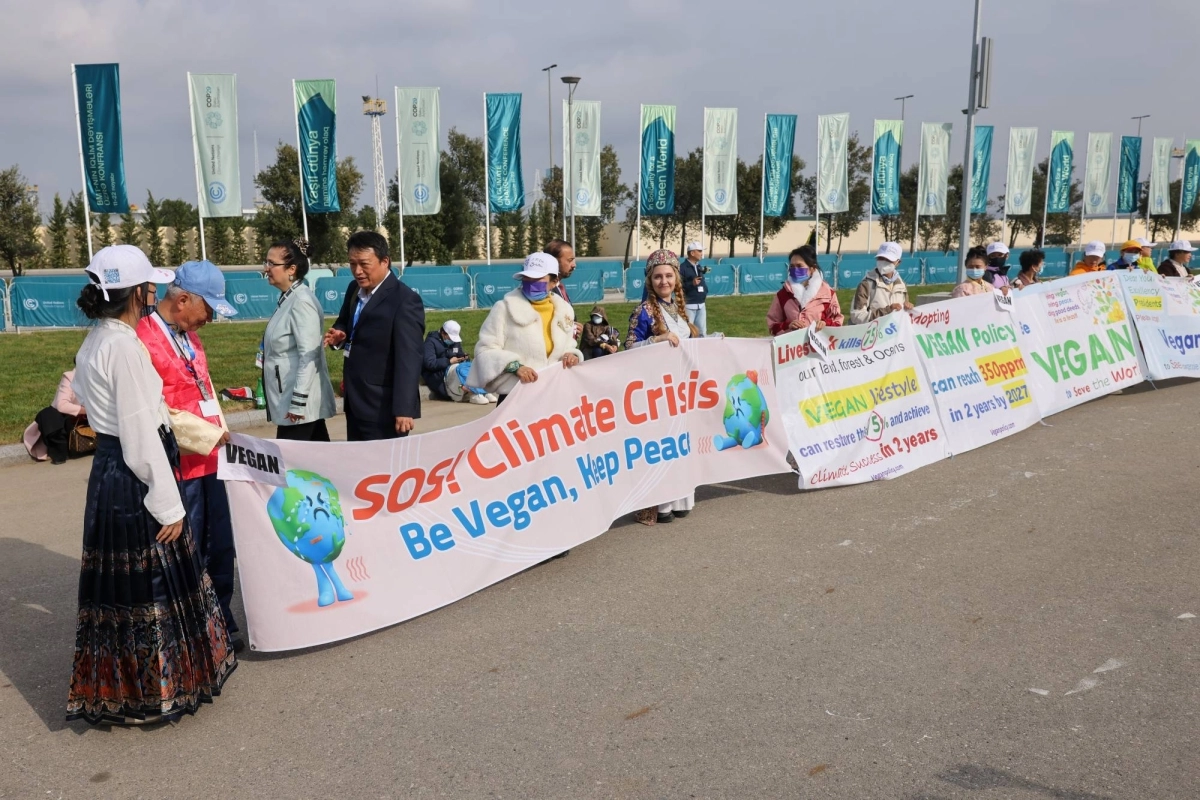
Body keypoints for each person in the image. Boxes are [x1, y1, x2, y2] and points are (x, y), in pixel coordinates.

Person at [68, 245, 235, 725]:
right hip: (132, 472)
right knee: (153, 583)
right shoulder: (124, 346)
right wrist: (169, 504)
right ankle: (154, 691)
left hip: (110, 472)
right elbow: (141, 432)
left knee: (119, 589)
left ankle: (125, 688)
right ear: (139, 292)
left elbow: (90, 397)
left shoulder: (99, 338)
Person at [136, 259, 241, 649]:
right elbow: (156, 410)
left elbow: (204, 388)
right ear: (183, 300)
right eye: (207, 309)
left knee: (220, 547)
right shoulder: (143, 339)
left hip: (211, 460)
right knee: (184, 552)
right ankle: (189, 633)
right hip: (178, 466)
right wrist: (210, 435)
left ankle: (220, 619)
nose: (209, 319)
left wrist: (222, 432)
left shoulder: (190, 336)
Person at [324, 231, 425, 441]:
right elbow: (345, 321)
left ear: (384, 261)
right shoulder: (354, 289)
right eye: (352, 264)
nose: (357, 271)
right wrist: (340, 335)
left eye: (364, 264)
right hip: (355, 400)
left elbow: (409, 358)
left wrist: (404, 408)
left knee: (385, 462)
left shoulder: (405, 300)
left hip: (383, 407)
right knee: (358, 459)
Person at [625, 249, 699, 526]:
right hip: (657, 389)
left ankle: (681, 499)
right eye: (658, 277)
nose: (663, 281)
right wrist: (655, 341)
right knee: (664, 445)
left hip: (682, 388)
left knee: (682, 443)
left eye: (668, 276)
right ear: (650, 280)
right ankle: (662, 503)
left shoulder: (679, 310)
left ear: (676, 279)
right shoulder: (643, 311)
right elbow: (628, 348)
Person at [467, 252, 583, 402]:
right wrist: (515, 367)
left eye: (537, 279)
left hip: (554, 395)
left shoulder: (565, 311)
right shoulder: (503, 309)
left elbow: (569, 345)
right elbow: (485, 350)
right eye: (526, 278)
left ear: (554, 281)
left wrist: (571, 355)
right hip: (516, 397)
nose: (530, 282)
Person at [262, 238, 337, 441]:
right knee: (316, 457)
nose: (266, 268)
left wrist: (298, 403)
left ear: (291, 269)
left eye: (272, 263)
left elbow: (309, 356)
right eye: (266, 262)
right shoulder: (289, 298)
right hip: (291, 403)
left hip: (298, 409)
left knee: (294, 459)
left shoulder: (301, 302)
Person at [767, 245, 843, 335]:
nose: (795, 269)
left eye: (799, 266)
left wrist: (826, 324)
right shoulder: (782, 295)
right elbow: (772, 326)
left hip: (819, 342)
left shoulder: (828, 294)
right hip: (792, 343)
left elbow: (837, 322)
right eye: (792, 266)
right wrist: (787, 326)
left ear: (812, 268)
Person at [24, 368, 86, 464]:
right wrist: (87, 411)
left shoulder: (102, 376)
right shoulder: (70, 377)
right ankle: (60, 452)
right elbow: (62, 405)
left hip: (93, 421)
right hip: (70, 422)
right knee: (48, 415)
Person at [423, 320, 487, 404]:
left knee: (470, 366)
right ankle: (475, 393)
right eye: (450, 338)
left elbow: (459, 353)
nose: (452, 340)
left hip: (452, 369)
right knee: (460, 369)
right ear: (443, 333)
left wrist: (463, 357)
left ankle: (482, 391)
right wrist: (448, 361)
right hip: (438, 374)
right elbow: (429, 363)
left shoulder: (455, 342)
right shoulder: (430, 342)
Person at [850, 242, 914, 324]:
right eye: (880, 258)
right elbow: (857, 316)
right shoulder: (866, 284)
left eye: (888, 259)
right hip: (874, 331)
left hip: (894, 331)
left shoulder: (901, 285)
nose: (883, 262)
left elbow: (904, 313)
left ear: (898, 262)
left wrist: (908, 308)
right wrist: (887, 311)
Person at [679, 241, 709, 336]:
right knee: (688, 333)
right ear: (692, 253)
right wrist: (691, 284)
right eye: (699, 251)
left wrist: (705, 291)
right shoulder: (682, 268)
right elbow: (678, 287)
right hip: (689, 306)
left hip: (701, 304)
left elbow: (702, 282)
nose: (701, 253)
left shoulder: (698, 266)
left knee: (702, 333)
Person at [544, 239, 576, 304]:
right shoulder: (545, 292)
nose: (574, 265)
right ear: (554, 261)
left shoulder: (559, 287)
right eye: (570, 260)